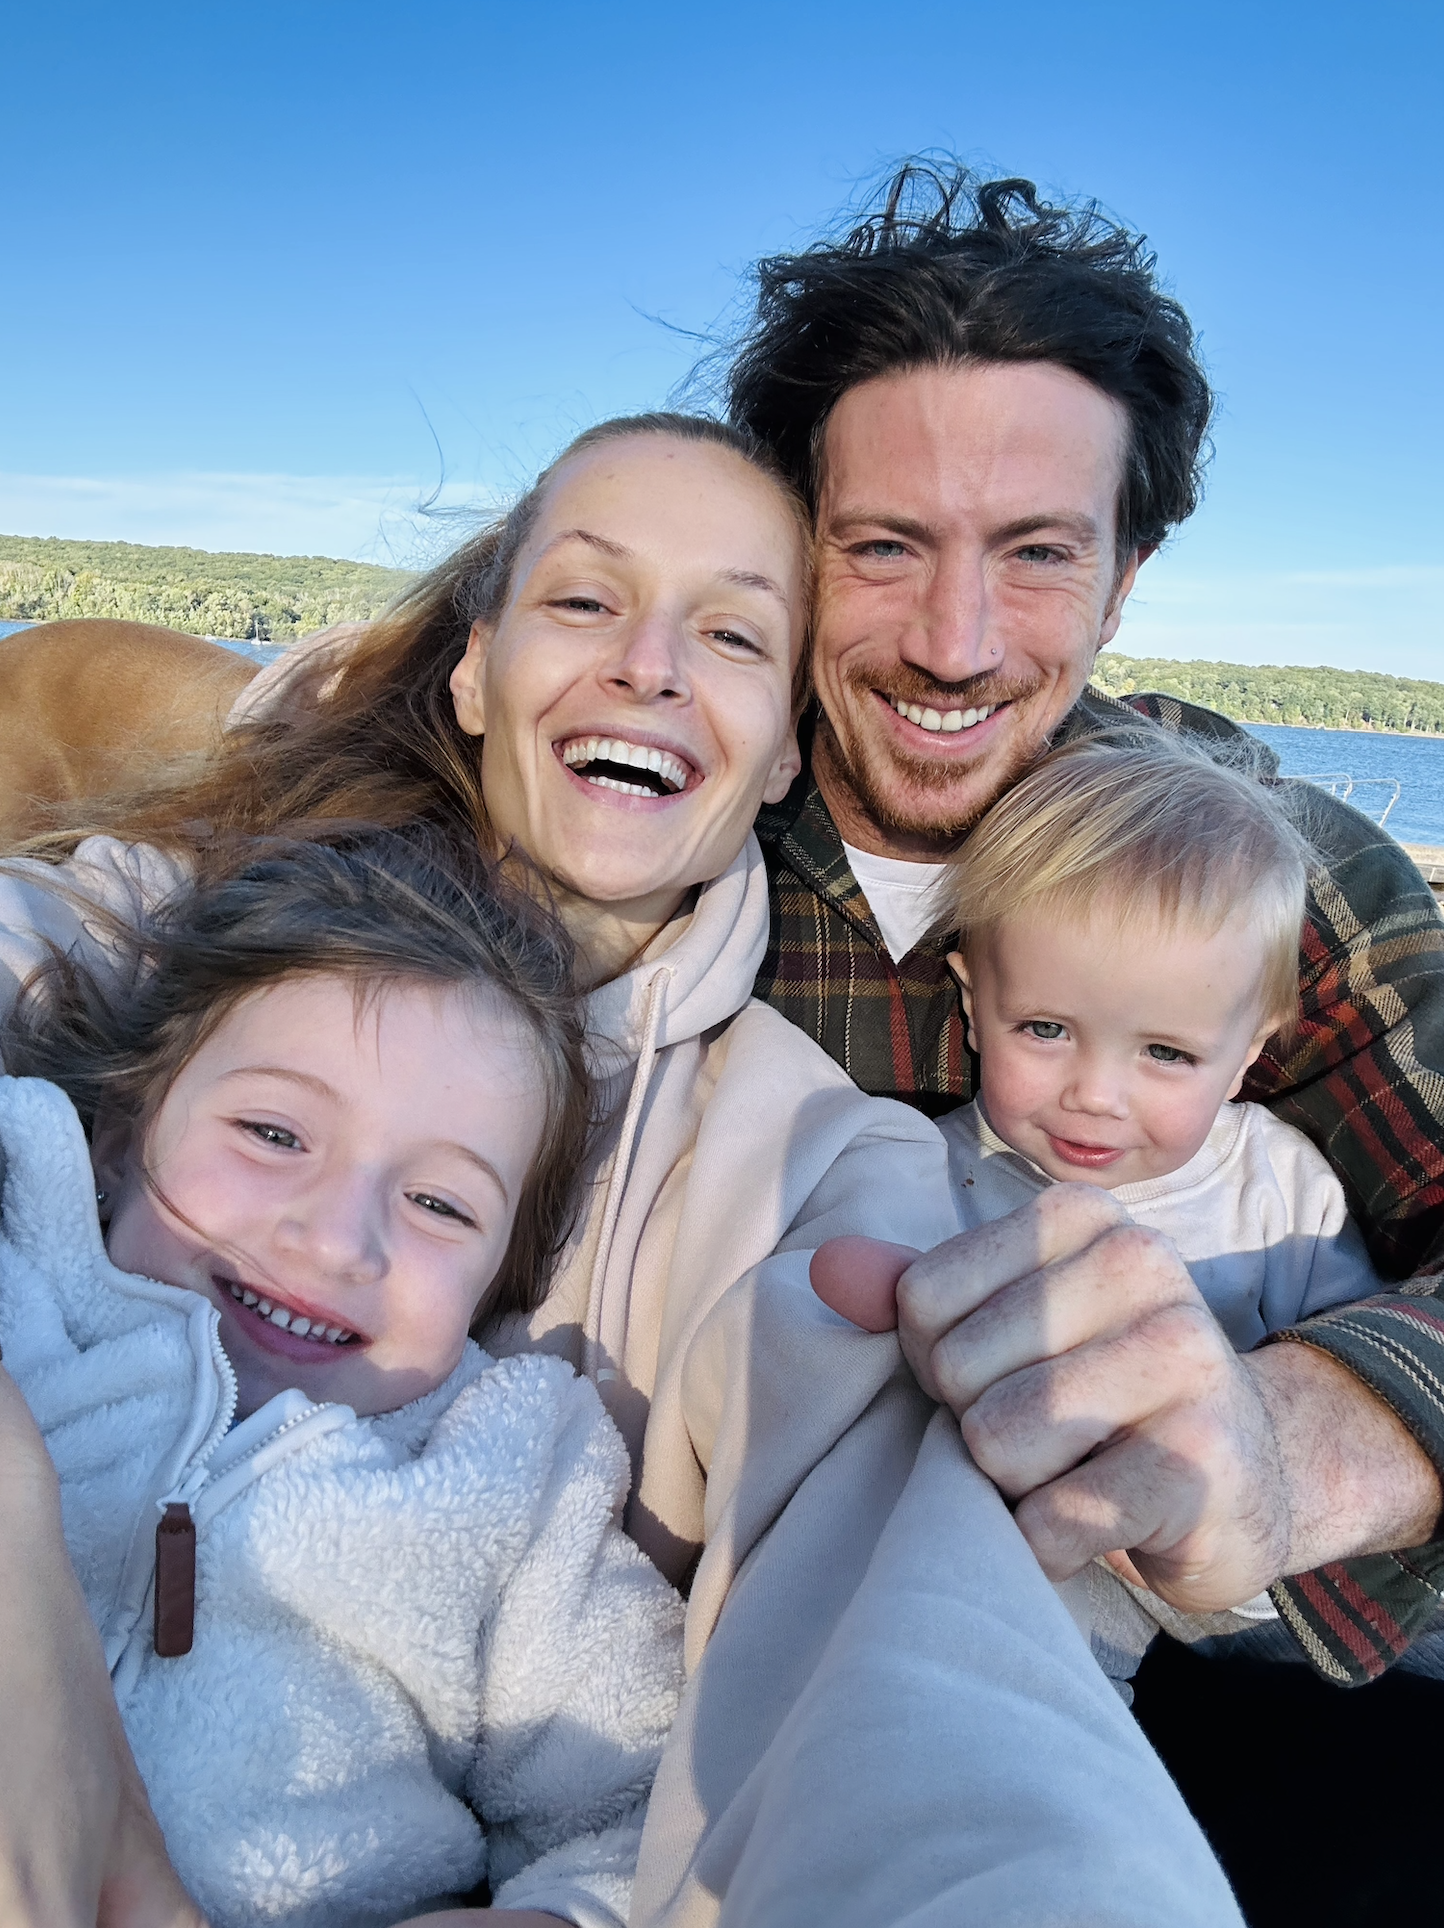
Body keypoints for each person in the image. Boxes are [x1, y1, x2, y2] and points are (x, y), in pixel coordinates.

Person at [0, 414, 1242, 1928]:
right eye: (587, 600)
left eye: (728, 633)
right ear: (475, 665)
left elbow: (902, 1612)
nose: (649, 664)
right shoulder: (169, 921)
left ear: (788, 743)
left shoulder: (810, 1158)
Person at [728, 162, 1444, 1686]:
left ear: (1126, 579)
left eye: (1039, 552)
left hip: (1192, 1689)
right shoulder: (669, 836)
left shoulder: (1280, 878)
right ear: (794, 549)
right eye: (885, 545)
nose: (953, 643)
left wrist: (1286, 1451)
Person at [0, 828, 684, 1928]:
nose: (335, 1240)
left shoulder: (507, 1479)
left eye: (440, 1205)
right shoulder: (23, 1274)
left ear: (495, 1281)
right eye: (273, 1132)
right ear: (124, 1137)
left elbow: (647, 1808)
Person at [812, 733, 1389, 1690]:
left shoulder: (1282, 1195)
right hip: (982, 1609)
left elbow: (1335, 1380)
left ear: (1251, 1050)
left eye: (1166, 1053)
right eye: (1044, 1029)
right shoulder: (925, 1168)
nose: (1097, 1095)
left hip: (1225, 1629)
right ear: (973, 996)